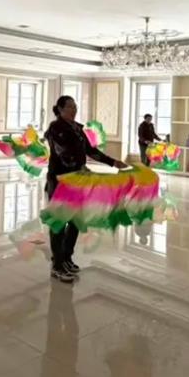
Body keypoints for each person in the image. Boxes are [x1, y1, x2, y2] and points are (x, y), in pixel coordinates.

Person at [45, 96, 128, 282]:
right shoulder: (56, 128)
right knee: (59, 222)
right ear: (60, 109)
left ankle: (66, 257)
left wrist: (113, 162)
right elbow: (62, 152)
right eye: (69, 107)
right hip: (60, 179)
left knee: (76, 220)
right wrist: (77, 165)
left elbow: (90, 151)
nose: (74, 109)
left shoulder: (77, 128)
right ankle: (57, 264)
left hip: (78, 179)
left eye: (75, 106)